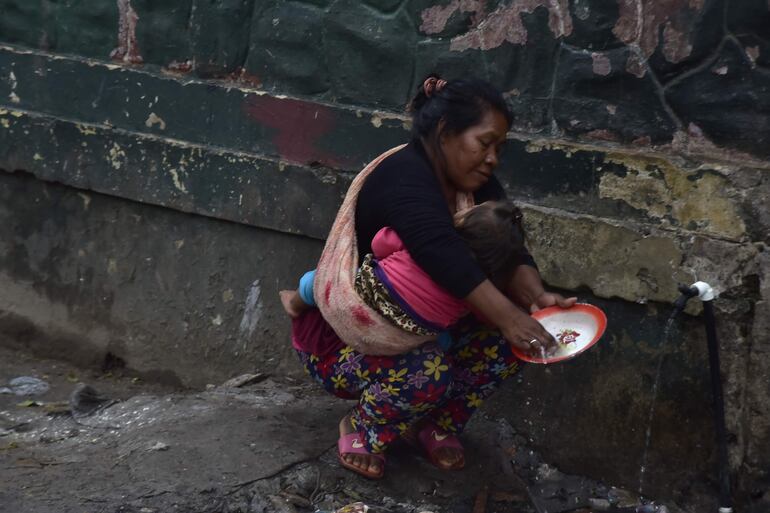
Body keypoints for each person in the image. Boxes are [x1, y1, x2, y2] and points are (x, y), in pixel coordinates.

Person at [284, 75, 576, 479]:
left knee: (514, 346)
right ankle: (364, 427)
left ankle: (435, 423)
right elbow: (443, 254)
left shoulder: (474, 182)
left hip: (425, 330)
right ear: (444, 132)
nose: (493, 158)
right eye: (484, 142)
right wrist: (511, 318)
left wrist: (537, 300)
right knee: (430, 369)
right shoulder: (404, 177)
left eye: (499, 148)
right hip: (345, 343)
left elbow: (507, 249)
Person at [280, 200, 530, 348]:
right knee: (444, 340)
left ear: (462, 224)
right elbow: (481, 313)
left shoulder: (429, 244)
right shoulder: (478, 290)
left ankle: (295, 302)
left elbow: (380, 242)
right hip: (415, 333)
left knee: (321, 279)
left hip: (367, 297)